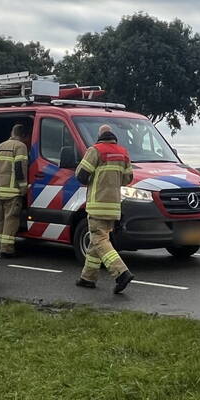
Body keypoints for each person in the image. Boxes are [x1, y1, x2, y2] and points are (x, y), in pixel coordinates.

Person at [74, 124, 135, 293]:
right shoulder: (123, 153)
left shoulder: (95, 150)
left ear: (100, 135)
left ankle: (121, 272)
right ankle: (88, 278)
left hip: (97, 204)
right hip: (114, 206)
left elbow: (81, 176)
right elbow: (128, 179)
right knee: (97, 240)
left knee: (100, 240)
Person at [0, 124, 29, 257]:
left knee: (1, 219)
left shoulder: (1, 146)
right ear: (24, 135)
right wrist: (23, 187)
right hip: (12, 191)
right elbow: (20, 168)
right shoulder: (20, 147)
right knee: (11, 219)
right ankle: (7, 249)